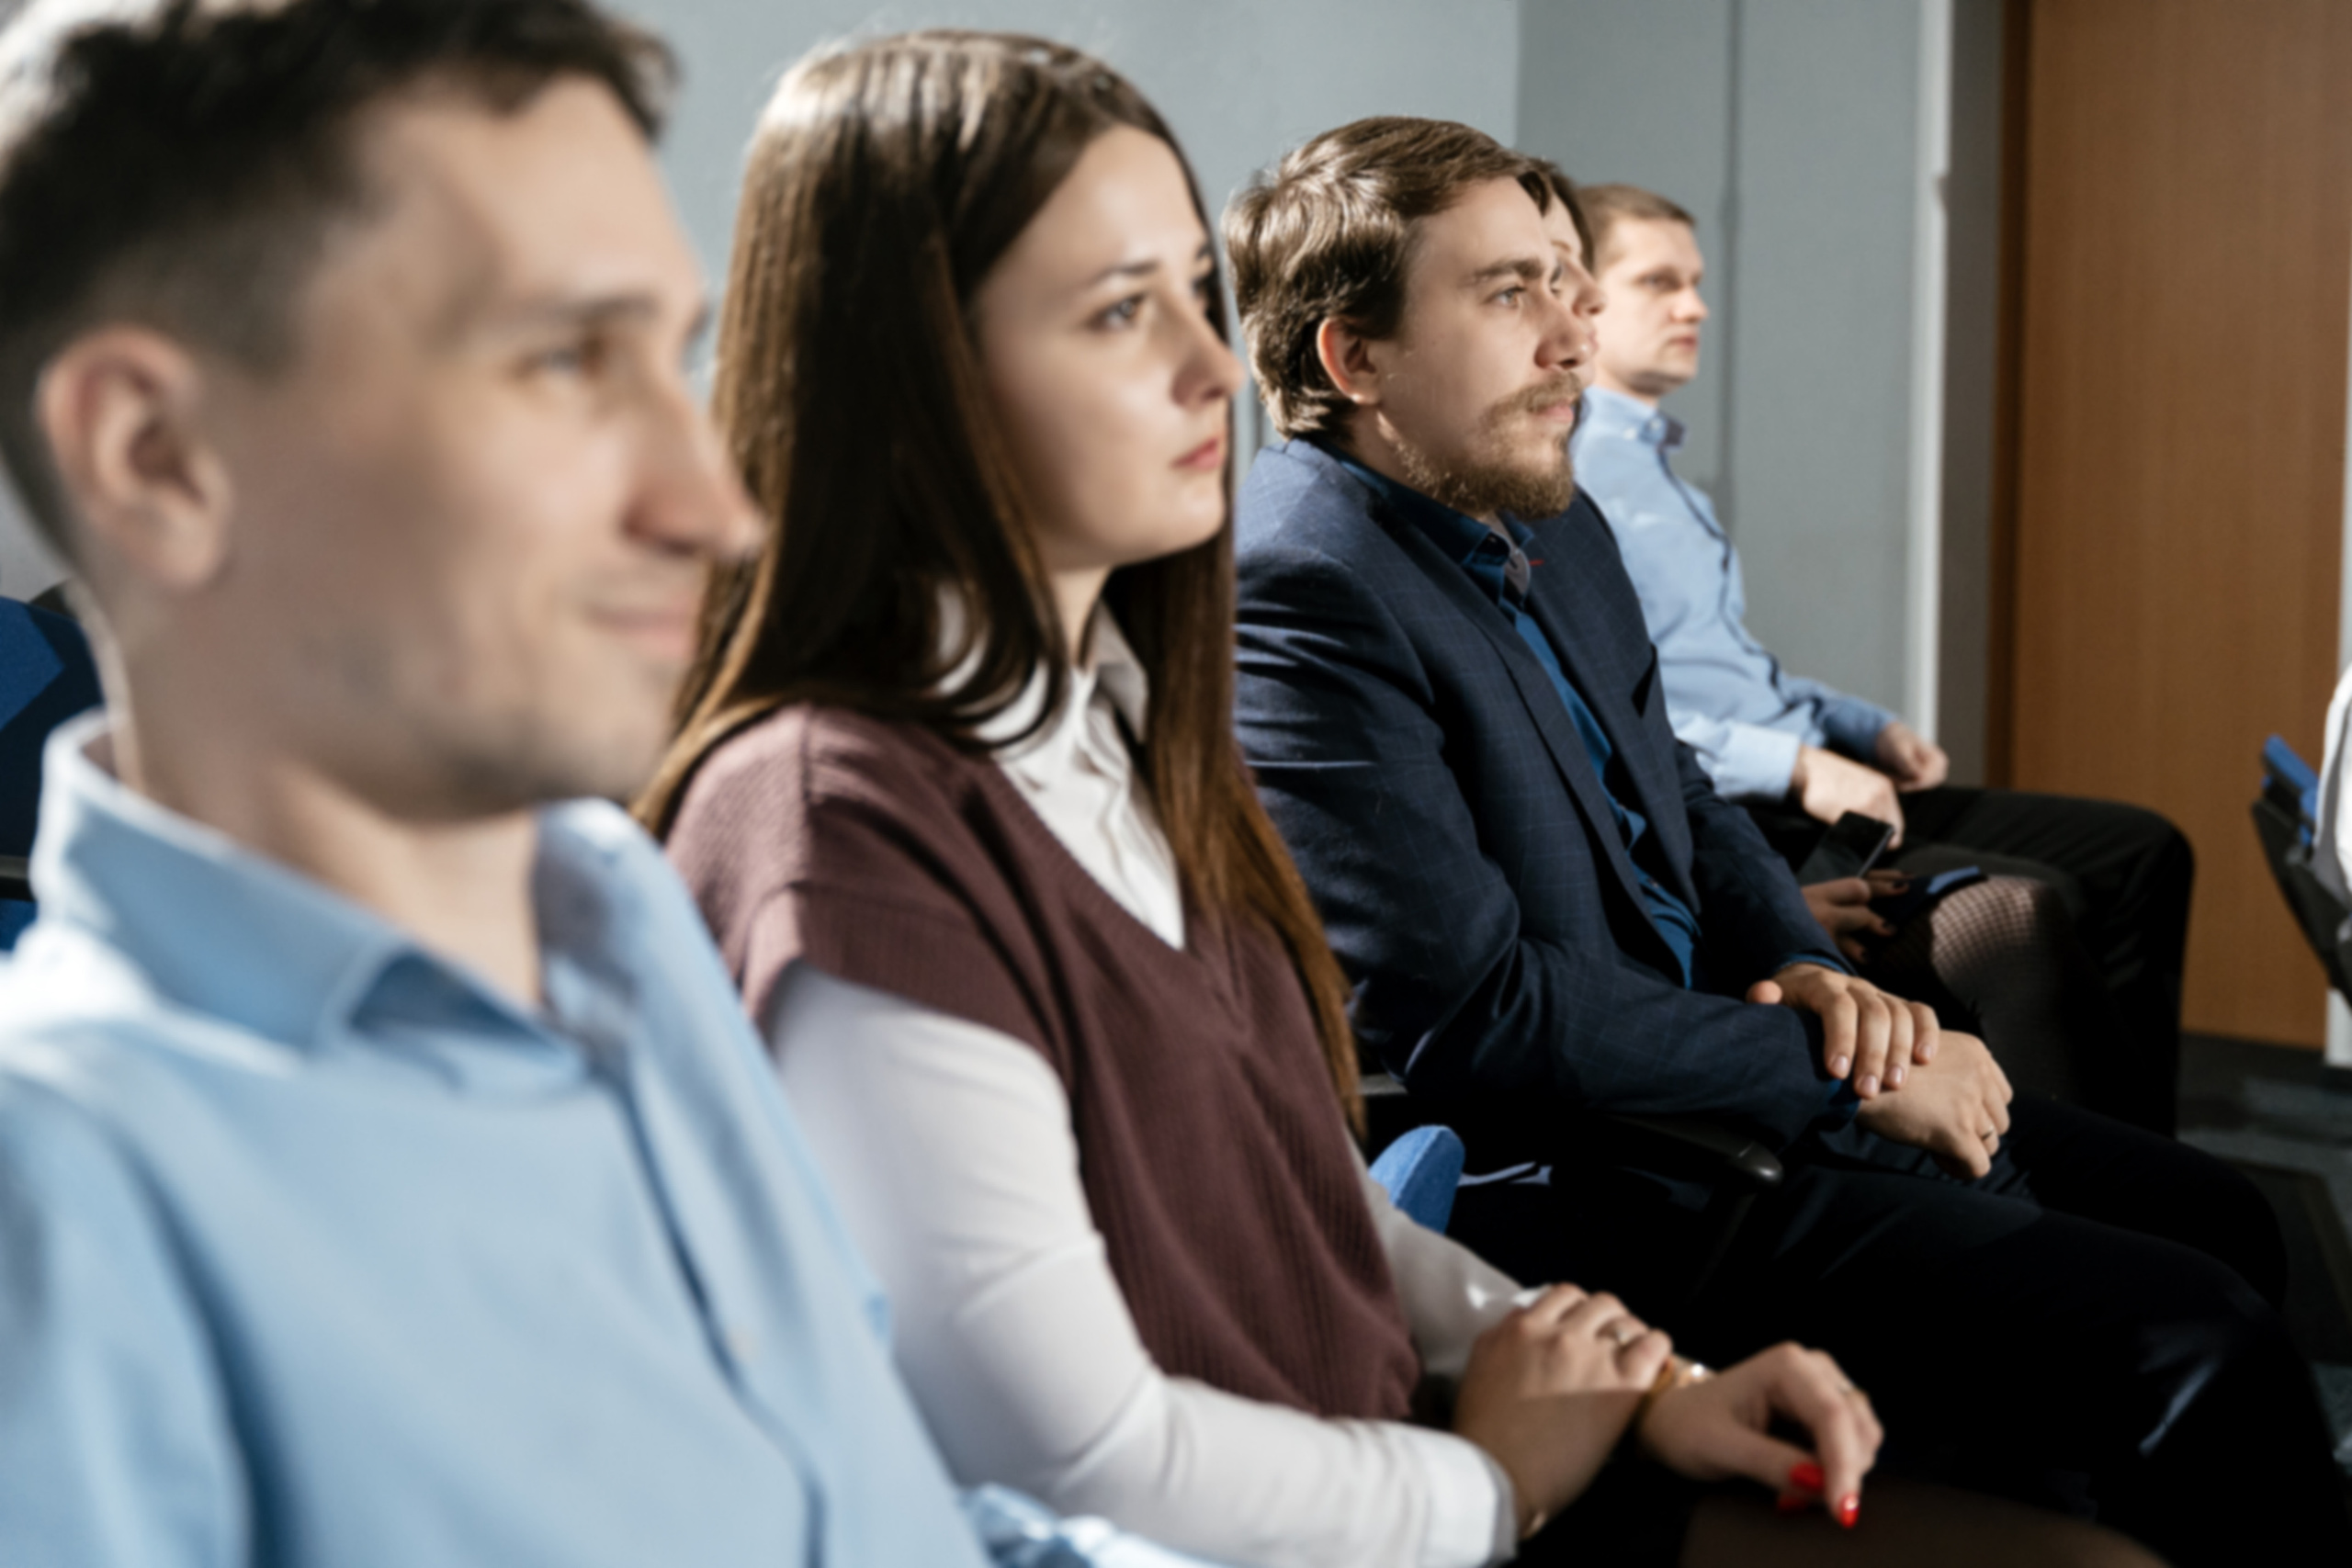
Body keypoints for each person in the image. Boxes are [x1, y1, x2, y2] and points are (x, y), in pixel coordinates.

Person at [638, 30, 2178, 1568]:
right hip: (1356, 1485)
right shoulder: (842, 818)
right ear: (910, 372)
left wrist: (1637, 1387)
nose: (1206, 364)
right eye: (1121, 310)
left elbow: (1299, 1192)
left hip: (1407, 1413)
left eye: (1193, 291)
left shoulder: (1113, 712)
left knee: (2164, 1328)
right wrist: (1492, 1482)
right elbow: (1081, 1456)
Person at [0, 4, 1207, 1564]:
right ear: (157, 458)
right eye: (567, 359)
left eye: (672, 355)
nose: (716, 504)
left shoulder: (618, 913)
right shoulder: (68, 1205)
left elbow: (854, 1504)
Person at [1223, 114, 2347, 1568]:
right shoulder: (1300, 585)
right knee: (2194, 1336)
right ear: (1352, 361)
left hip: (1732, 1068)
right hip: (1594, 1173)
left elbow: (1679, 790)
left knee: (2216, 1217)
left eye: (1571, 285)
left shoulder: (1539, 509)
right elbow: (1487, 1018)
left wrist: (1806, 965)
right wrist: (1846, 1074)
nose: (1573, 339)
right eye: (1510, 294)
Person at [1568, 181, 2190, 1135]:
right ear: (1584, 299)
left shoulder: (1656, 466)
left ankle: (2146, 1150)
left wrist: (1859, 724)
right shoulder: (1571, 475)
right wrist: (1801, 764)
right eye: (1660, 283)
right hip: (1759, 807)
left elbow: (1736, 667)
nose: (1694, 307)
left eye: (1695, 282)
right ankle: (2080, 1180)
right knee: (2036, 904)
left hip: (1816, 771)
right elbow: (1613, 709)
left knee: (2144, 849)